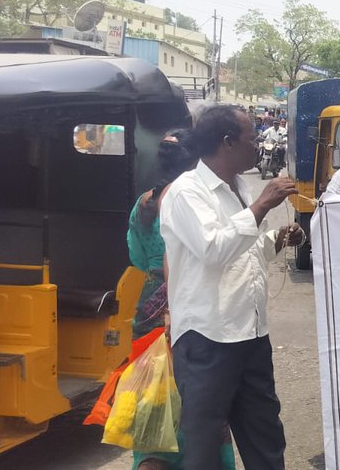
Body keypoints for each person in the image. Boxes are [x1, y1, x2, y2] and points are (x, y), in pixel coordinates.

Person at [160, 105, 305, 470]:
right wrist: (261, 205)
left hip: (251, 334)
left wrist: (278, 238)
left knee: (265, 436)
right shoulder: (186, 193)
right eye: (252, 138)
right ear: (227, 142)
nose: (257, 145)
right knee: (205, 445)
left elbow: (247, 252)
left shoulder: (237, 188)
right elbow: (213, 250)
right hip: (208, 338)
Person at [127, 130, 237, 470]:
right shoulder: (199, 200)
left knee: (153, 397)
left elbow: (136, 257)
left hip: (149, 311)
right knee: (202, 399)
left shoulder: (144, 203)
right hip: (192, 307)